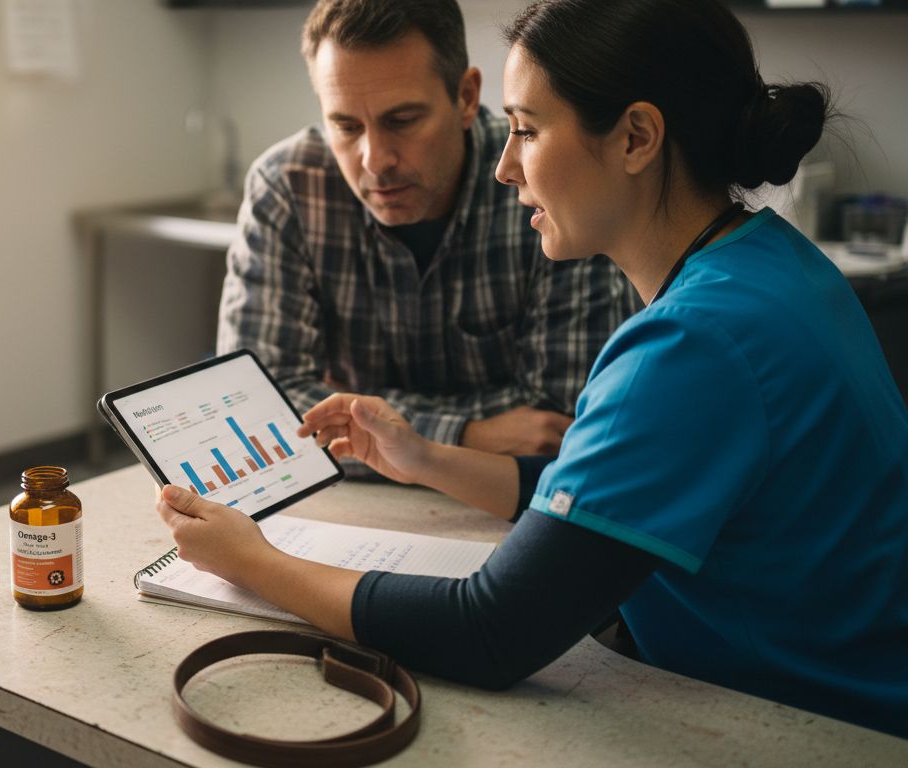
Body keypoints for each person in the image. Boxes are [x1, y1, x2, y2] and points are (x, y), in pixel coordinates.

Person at [158, 0, 908, 738]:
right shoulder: (769, 262)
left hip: (827, 726)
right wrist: (427, 458)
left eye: (526, 130)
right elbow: (600, 511)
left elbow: (489, 630)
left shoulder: (690, 345)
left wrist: (254, 563)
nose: (506, 166)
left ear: (637, 137)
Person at [216, 0, 636, 461]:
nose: (375, 160)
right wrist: (468, 434)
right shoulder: (287, 188)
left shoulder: (545, 180)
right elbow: (257, 409)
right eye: (346, 125)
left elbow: (557, 420)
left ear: (466, 97)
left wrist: (347, 405)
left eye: (402, 121)